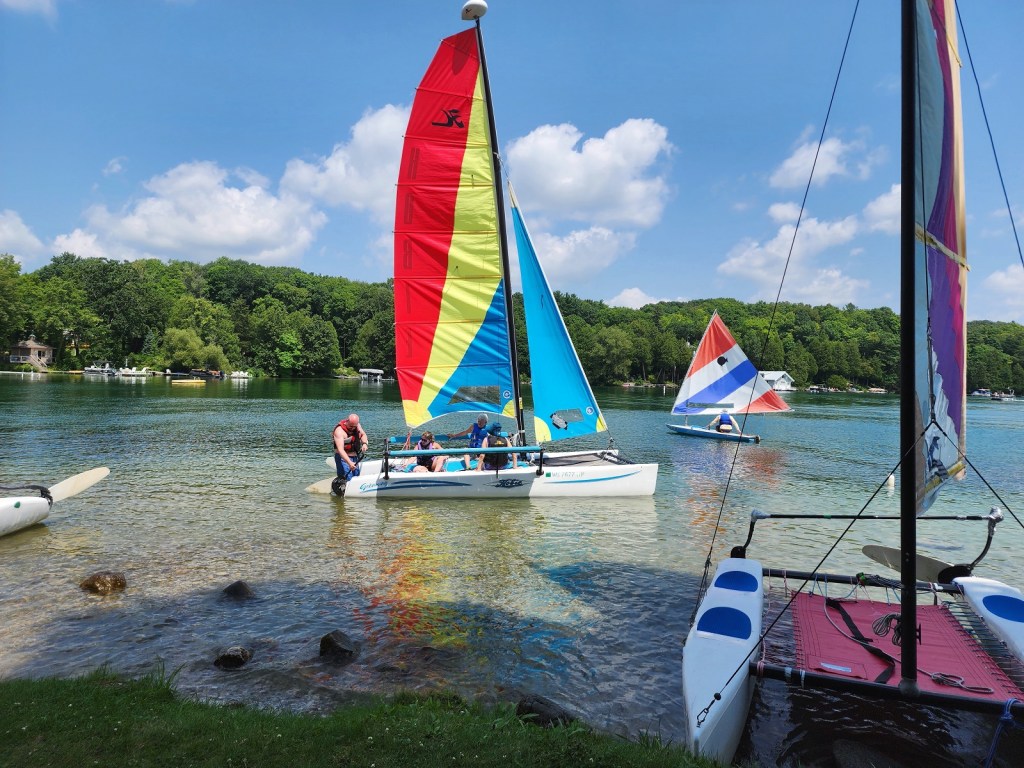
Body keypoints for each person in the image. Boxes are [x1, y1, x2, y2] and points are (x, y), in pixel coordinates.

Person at [332, 413, 369, 493]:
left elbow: (363, 435)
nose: (353, 428)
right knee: (348, 479)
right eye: (351, 426)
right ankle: (343, 493)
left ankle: (356, 493)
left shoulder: (357, 426)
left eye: (354, 426)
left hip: (355, 457)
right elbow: (340, 450)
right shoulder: (339, 431)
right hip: (343, 458)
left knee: (356, 477)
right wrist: (349, 463)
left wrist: (364, 444)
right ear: (347, 421)